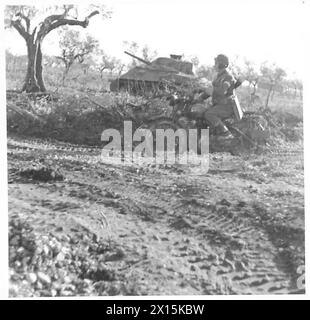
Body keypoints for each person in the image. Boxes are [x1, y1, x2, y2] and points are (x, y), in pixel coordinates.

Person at [204, 54, 238, 139]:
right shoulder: (218, 77)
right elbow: (209, 91)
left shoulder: (228, 77)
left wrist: (210, 89)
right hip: (218, 104)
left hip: (226, 106)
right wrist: (199, 93)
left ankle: (226, 132)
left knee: (209, 114)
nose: (214, 65)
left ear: (222, 64)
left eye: (216, 63)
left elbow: (222, 91)